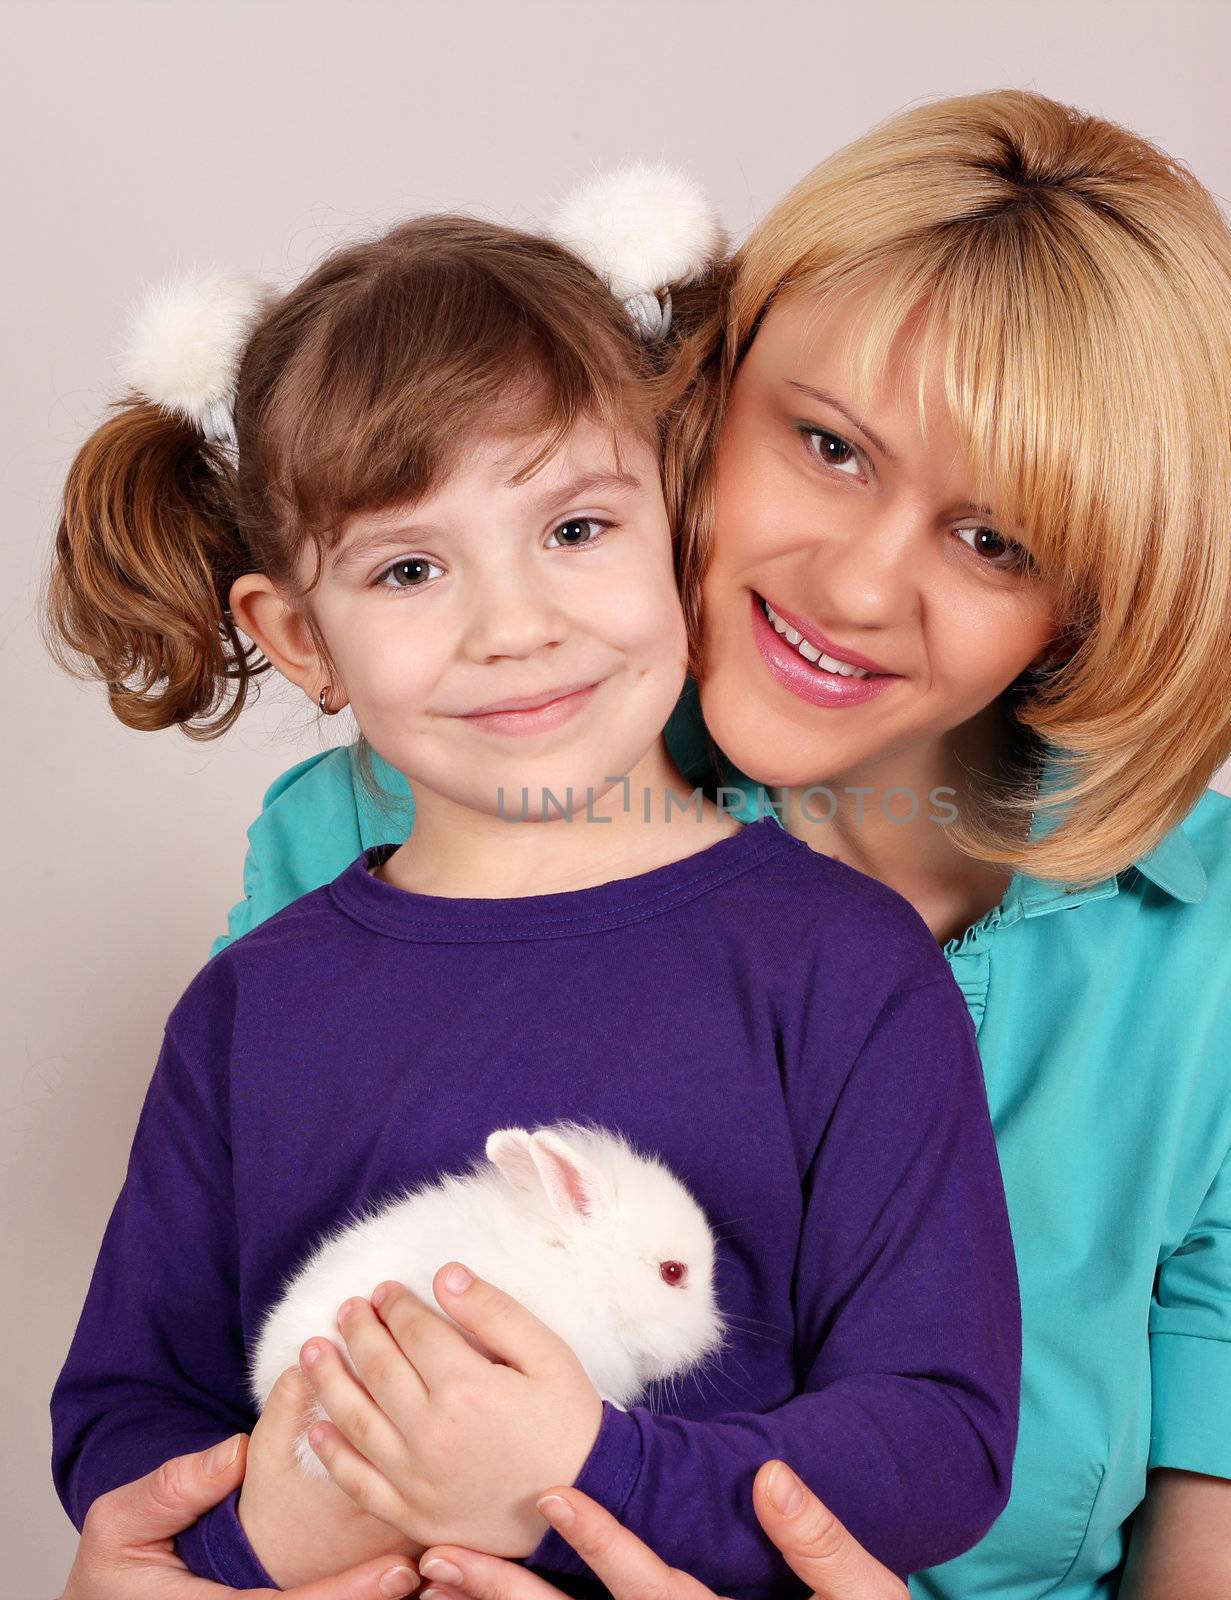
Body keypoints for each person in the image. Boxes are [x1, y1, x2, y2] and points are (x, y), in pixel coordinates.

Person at [175, 90, 1231, 1599]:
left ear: (1098, 591)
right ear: (710, 393)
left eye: (993, 538)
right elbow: (234, 1448)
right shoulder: (381, 841)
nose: (856, 584)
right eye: (828, 446)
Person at [44, 204, 1020, 1597]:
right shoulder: (249, 1013)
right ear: (299, 638)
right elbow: (125, 1415)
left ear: (679, 526)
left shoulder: (843, 971)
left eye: (573, 526)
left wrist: (574, 1477)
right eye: (410, 569)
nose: (513, 625)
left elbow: (938, 1434)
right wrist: (270, 1533)